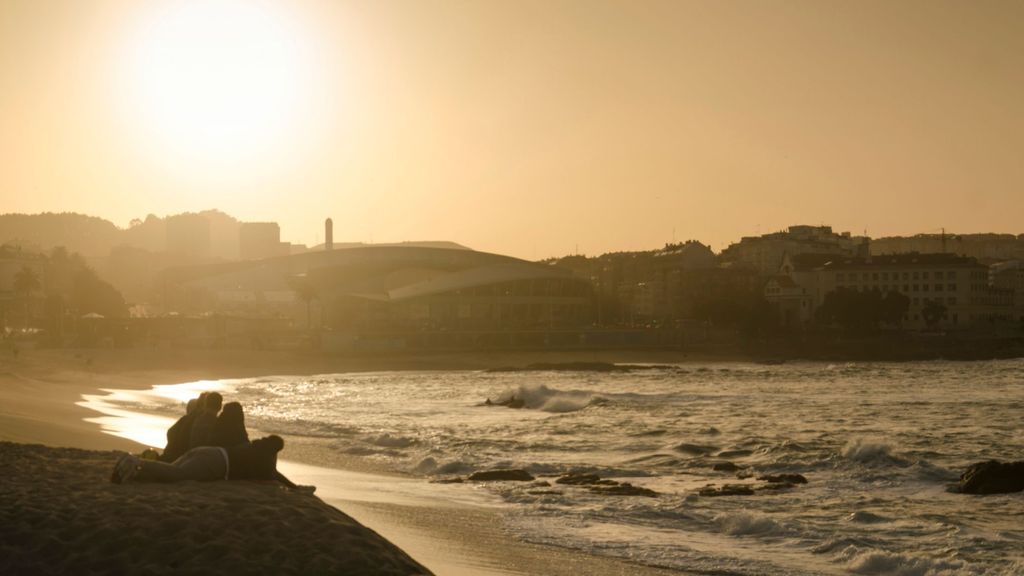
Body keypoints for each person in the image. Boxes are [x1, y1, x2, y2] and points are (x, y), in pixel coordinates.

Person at [111, 435, 312, 492]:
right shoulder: (264, 459)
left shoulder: (252, 445)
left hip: (209, 451)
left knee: (169, 474)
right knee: (177, 474)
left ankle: (137, 470)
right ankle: (135, 462)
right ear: (275, 450)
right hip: (215, 463)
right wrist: (295, 488)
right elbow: (274, 475)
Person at [159, 397, 200, 462]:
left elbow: (170, 432)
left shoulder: (185, 420)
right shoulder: (188, 420)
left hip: (172, 455)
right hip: (177, 457)